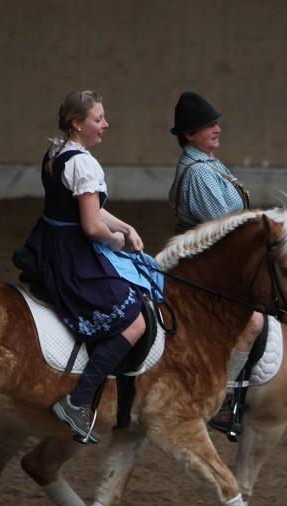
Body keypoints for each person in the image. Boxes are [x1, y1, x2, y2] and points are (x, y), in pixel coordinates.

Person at [25, 90, 147, 444]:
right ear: (77, 124)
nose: (105, 124)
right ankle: (78, 401)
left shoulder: (58, 151)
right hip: (71, 254)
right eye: (98, 119)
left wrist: (126, 226)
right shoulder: (84, 163)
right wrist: (114, 240)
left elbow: (89, 206)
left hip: (49, 242)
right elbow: (92, 226)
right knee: (135, 320)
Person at [168, 91, 262, 440]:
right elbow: (228, 229)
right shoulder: (199, 174)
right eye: (208, 125)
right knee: (251, 321)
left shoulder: (209, 163)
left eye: (216, 123)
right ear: (189, 134)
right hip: (206, 269)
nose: (217, 129)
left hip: (214, 261)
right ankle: (225, 400)